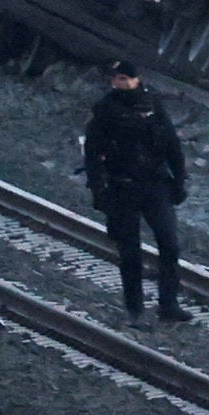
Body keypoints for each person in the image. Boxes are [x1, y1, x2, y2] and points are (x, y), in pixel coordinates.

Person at [81, 62, 191, 320]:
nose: (119, 83)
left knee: (170, 244)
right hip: (122, 186)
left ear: (136, 79)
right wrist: (99, 189)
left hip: (154, 185)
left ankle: (168, 303)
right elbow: (93, 153)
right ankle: (135, 309)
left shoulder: (153, 104)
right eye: (116, 78)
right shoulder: (105, 109)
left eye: (124, 78)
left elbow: (172, 144)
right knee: (130, 252)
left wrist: (179, 178)